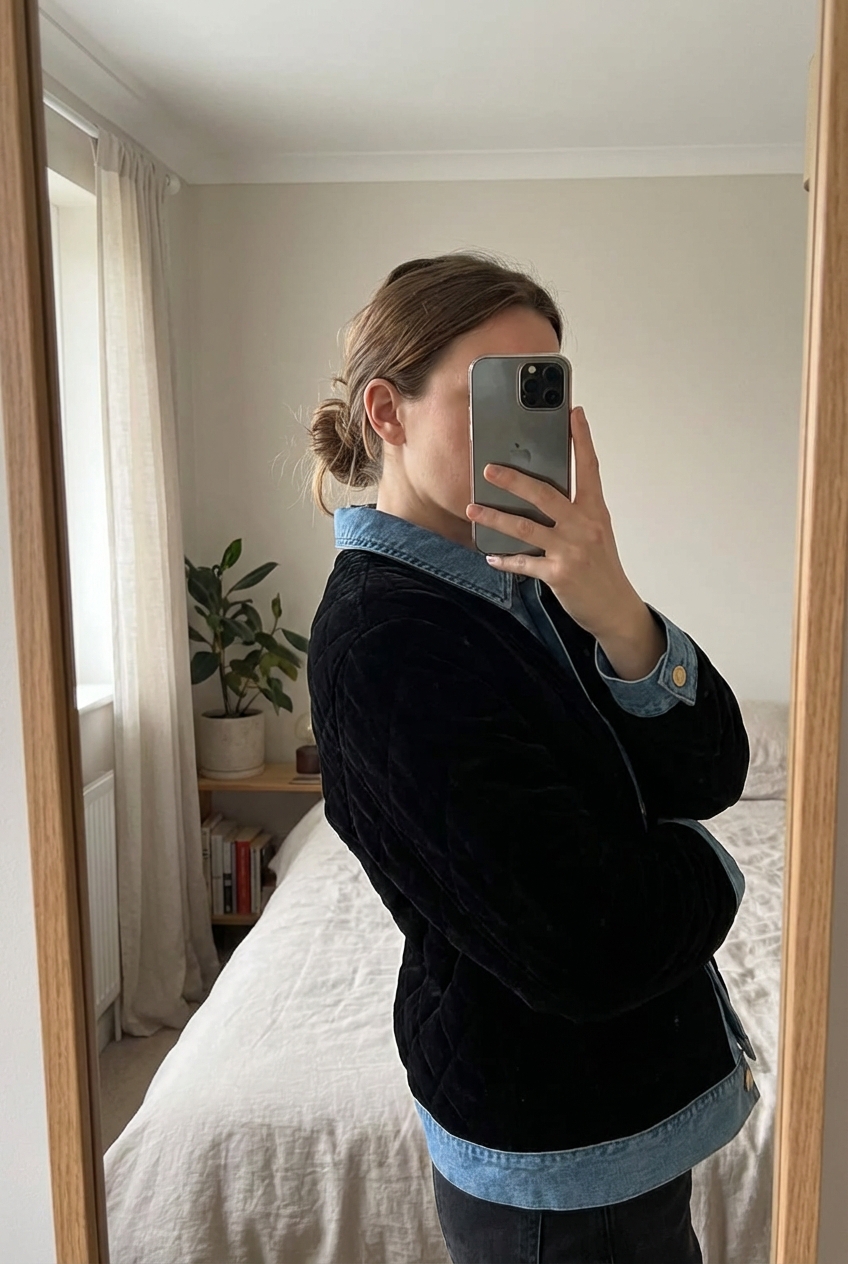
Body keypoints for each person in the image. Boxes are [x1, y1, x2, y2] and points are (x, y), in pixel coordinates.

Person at [305, 252, 758, 1264]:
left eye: (539, 392)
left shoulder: (525, 579)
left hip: (610, 1119)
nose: (524, 429)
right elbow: (581, 943)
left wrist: (616, 606)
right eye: (493, 393)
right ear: (386, 411)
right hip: (559, 1154)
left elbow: (711, 770)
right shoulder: (385, 640)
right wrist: (709, 862)